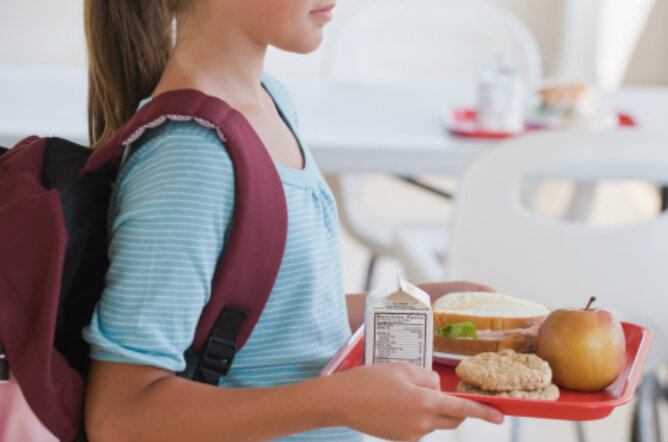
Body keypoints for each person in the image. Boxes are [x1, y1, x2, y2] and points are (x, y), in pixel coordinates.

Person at [81, 1, 505, 441]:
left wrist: (416, 308)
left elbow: (278, 320)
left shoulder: (268, 101)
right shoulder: (190, 158)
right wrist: (338, 401)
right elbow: (120, 418)